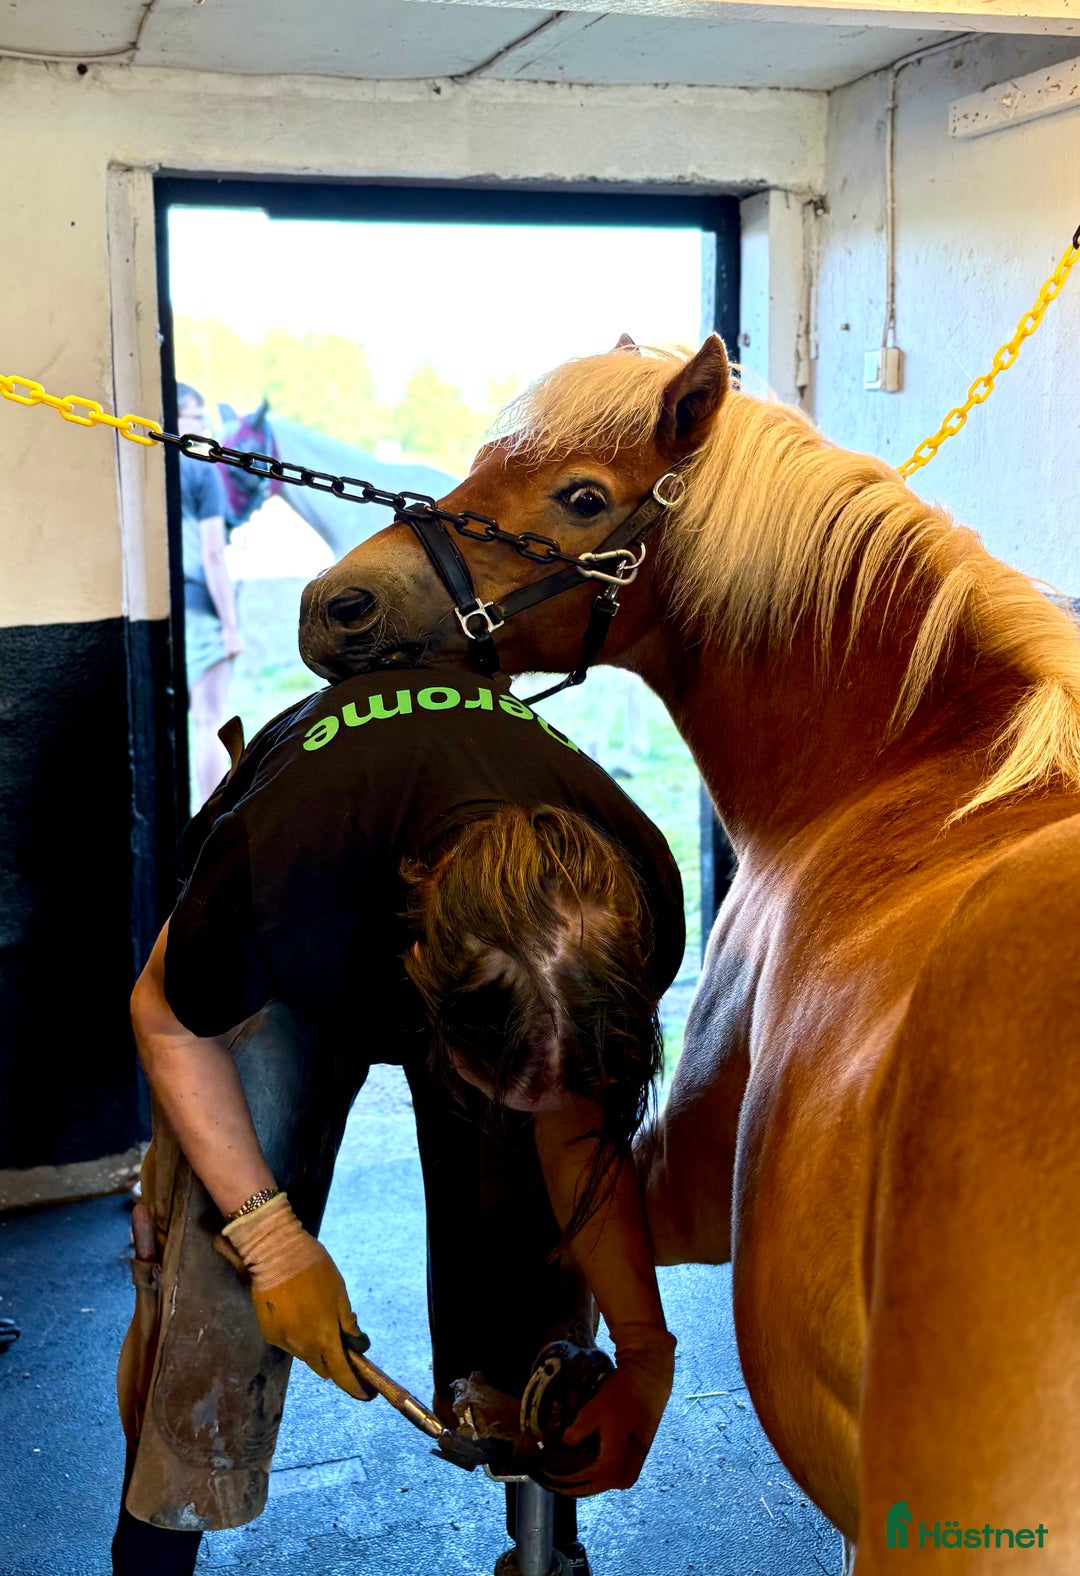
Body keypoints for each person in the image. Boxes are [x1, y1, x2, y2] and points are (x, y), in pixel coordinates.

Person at [112, 661, 685, 1576]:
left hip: (488, 955)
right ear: (418, 981)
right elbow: (163, 1016)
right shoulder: (284, 867)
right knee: (223, 1249)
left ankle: (540, 1518)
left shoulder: (634, 890)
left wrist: (646, 1349)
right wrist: (275, 1242)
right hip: (305, 924)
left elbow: (579, 1130)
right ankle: (156, 1545)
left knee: (528, 1211)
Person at [177, 382, 244, 803]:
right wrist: (231, 627)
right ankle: (208, 820)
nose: (205, 427)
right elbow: (213, 554)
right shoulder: (202, 473)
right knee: (208, 722)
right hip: (201, 607)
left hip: (163, 610)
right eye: (197, 417)